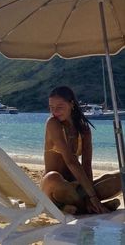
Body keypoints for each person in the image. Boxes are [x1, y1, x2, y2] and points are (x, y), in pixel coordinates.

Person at [41, 86, 121, 215]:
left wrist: (90, 195)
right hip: (54, 188)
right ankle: (85, 207)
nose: (55, 111)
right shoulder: (53, 124)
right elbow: (71, 161)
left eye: (60, 107)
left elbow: (86, 165)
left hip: (77, 188)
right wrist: (93, 197)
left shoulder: (83, 128)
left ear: (71, 104)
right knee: (53, 177)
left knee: (121, 177)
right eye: (51, 107)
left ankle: (79, 206)